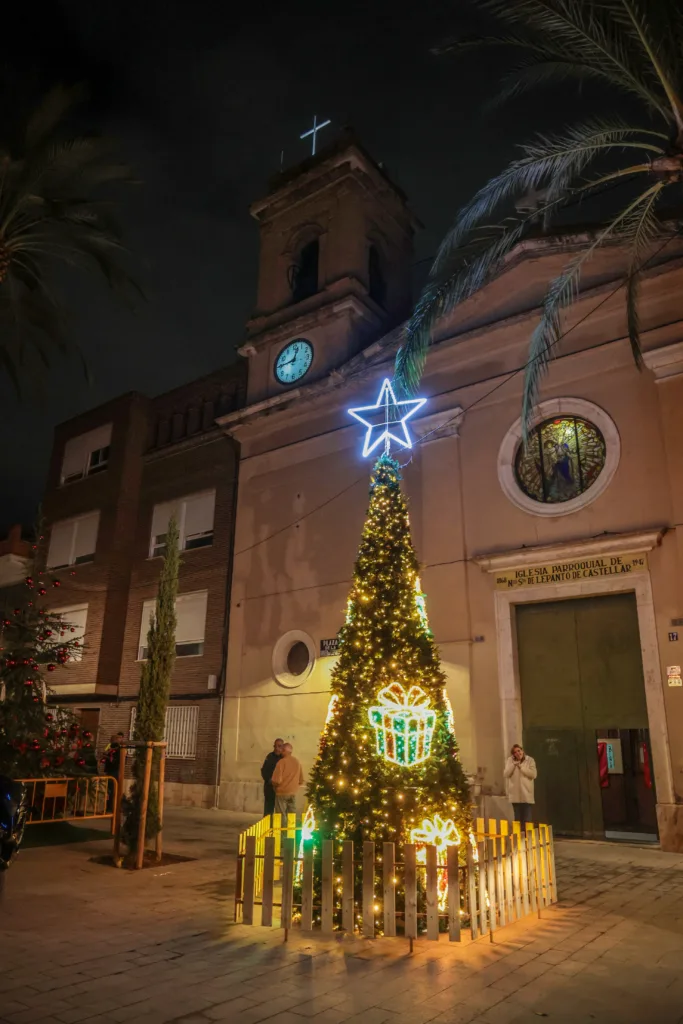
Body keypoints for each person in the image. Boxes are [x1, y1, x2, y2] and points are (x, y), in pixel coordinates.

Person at [504, 743, 537, 827]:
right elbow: (506, 774)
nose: (518, 753)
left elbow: (533, 774)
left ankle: (527, 837)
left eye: (519, 751)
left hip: (526, 794)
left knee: (527, 819)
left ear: (522, 750)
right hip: (515, 795)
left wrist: (521, 767)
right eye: (515, 752)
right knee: (517, 819)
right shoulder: (510, 761)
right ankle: (518, 836)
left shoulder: (530, 760)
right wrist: (513, 765)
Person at [270, 742, 304, 817]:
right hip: (292, 793)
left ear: (284, 751)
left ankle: (282, 828)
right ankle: (291, 828)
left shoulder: (281, 762)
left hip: (281, 793)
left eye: (282, 750)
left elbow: (276, 780)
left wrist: (274, 787)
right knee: (291, 815)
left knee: (280, 815)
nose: (280, 752)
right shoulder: (297, 762)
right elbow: (301, 780)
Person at [260, 738, 284, 817]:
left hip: (280, 789)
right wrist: (269, 780)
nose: (277, 748)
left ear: (283, 747)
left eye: (279, 746)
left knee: (280, 812)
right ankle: (268, 827)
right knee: (268, 811)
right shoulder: (270, 756)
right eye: (275, 746)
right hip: (269, 788)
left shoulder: (284, 758)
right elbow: (264, 771)